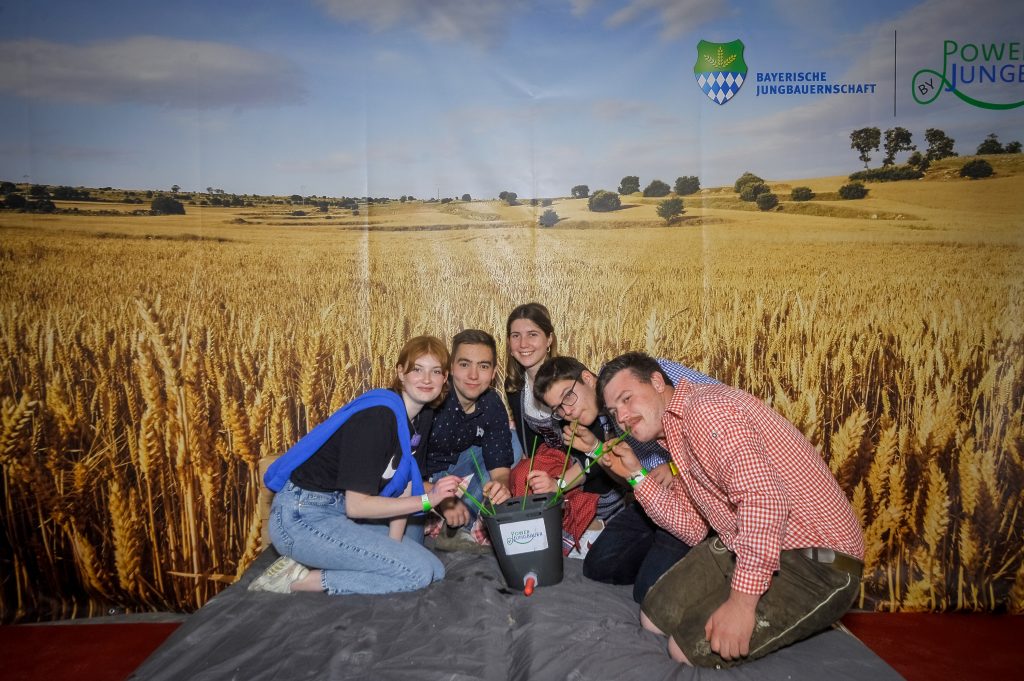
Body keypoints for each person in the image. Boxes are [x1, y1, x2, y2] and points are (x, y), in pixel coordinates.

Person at [597, 352, 864, 668]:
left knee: (682, 650)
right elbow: (691, 528)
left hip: (816, 560)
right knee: (654, 618)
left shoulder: (706, 410)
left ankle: (799, 614)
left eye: (627, 399)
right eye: (614, 411)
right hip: (743, 540)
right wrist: (635, 475)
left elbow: (764, 500)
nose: (622, 416)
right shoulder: (676, 434)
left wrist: (741, 603)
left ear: (656, 382)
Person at [249, 336, 465, 595]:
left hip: (336, 513)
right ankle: (294, 580)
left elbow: (405, 485)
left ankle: (312, 565)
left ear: (445, 378)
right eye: (417, 369)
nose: (427, 379)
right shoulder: (377, 417)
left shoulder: (422, 417)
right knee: (417, 573)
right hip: (301, 517)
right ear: (401, 373)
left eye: (436, 371)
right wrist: (429, 501)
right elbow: (357, 506)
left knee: (434, 570)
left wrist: (392, 551)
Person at [532, 354, 715, 602]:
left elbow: (718, 407)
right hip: (652, 498)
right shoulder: (604, 419)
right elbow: (625, 479)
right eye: (558, 409)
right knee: (598, 567)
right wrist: (595, 450)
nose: (568, 411)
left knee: (648, 593)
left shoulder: (638, 375)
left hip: (695, 495)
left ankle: (710, 556)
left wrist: (674, 467)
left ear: (587, 378)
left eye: (568, 396)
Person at [504, 302, 620, 555]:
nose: (523, 344)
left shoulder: (568, 377)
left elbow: (596, 439)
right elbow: (529, 440)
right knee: (524, 474)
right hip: (552, 454)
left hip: (582, 456)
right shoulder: (515, 386)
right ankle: (531, 538)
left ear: (549, 339)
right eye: (515, 336)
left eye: (532, 334)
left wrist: (560, 480)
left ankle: (582, 527)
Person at [423, 329, 514, 552]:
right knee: (408, 541)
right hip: (421, 479)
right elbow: (403, 469)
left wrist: (501, 485)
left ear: (493, 372)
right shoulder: (430, 398)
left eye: (483, 366)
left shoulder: (491, 403)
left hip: (458, 471)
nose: (473, 375)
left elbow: (499, 463)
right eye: (465, 364)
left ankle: (459, 527)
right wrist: (440, 498)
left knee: (512, 441)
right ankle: (442, 520)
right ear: (451, 368)